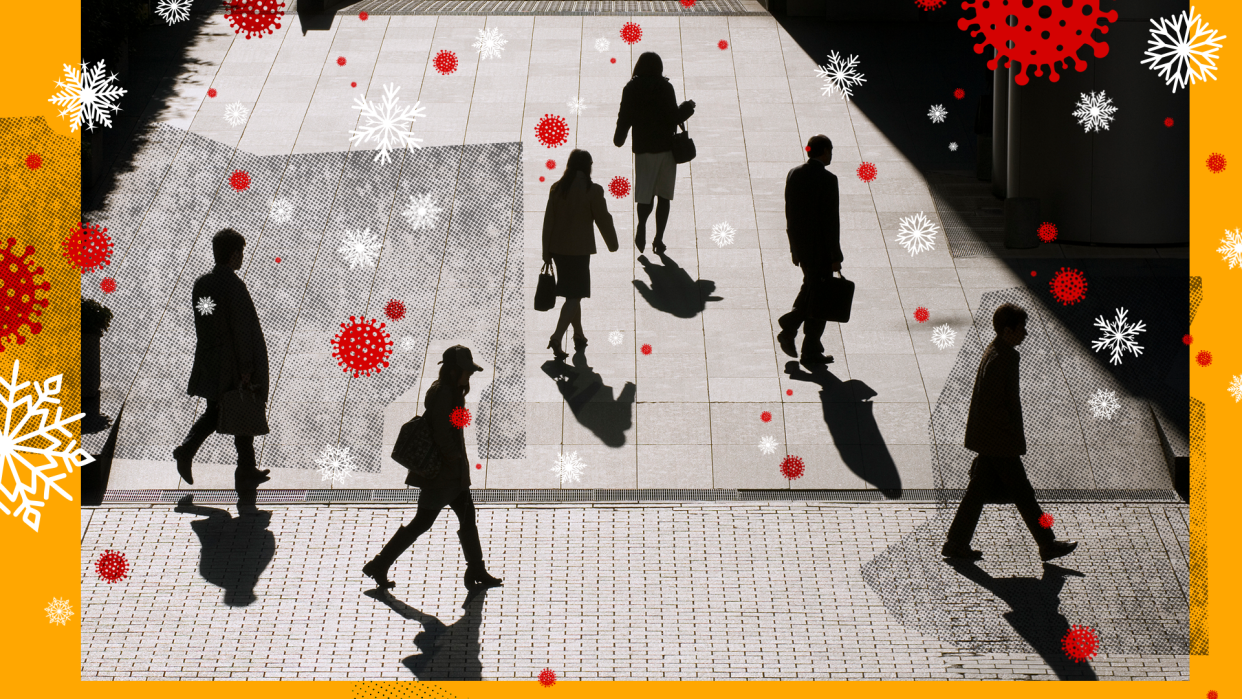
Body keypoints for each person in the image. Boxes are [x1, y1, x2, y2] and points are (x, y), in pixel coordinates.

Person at [941, 303, 1079, 562]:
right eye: (1021, 328)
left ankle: (956, 543)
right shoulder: (1001, 358)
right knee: (1023, 494)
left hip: (991, 440)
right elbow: (995, 404)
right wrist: (1009, 428)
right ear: (1008, 330)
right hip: (999, 442)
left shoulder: (998, 351)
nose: (1024, 333)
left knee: (979, 492)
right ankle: (1047, 543)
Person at [363, 345, 503, 593]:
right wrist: (452, 457)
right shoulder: (445, 395)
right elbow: (441, 431)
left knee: (466, 517)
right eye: (466, 371)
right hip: (442, 475)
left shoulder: (453, 392)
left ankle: (476, 568)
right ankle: (380, 563)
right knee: (422, 522)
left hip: (453, 474)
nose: (469, 376)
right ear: (453, 371)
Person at [174, 228, 271, 494]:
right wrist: (247, 368)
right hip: (232, 364)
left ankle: (246, 469)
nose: (242, 257)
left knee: (226, 409)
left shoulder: (202, 284)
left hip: (211, 360)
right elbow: (242, 330)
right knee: (233, 407)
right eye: (241, 252)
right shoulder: (234, 287)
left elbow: (205, 318)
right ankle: (188, 452)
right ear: (233, 255)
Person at [613, 51, 696, 255]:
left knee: (645, 194)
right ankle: (658, 239)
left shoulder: (631, 88)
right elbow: (673, 116)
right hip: (666, 149)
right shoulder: (665, 87)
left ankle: (642, 225)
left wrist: (619, 137)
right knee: (664, 195)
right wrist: (687, 108)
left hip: (643, 150)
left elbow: (625, 115)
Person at [541, 149, 619, 358]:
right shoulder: (592, 190)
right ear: (587, 167)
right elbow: (603, 218)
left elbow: (549, 221)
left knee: (572, 294)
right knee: (575, 295)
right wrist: (613, 244)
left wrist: (545, 251)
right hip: (579, 251)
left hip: (558, 250)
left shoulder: (557, 189)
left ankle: (579, 334)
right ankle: (556, 337)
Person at [777, 134, 842, 369]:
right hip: (822, 250)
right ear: (824, 151)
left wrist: (794, 247)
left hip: (803, 248)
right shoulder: (828, 180)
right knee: (820, 297)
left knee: (811, 290)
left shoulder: (795, 174)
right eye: (830, 150)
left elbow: (790, 214)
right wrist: (835, 256)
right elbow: (830, 222)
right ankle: (794, 329)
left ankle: (805, 341)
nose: (831, 155)